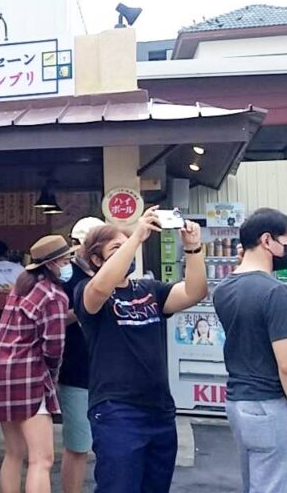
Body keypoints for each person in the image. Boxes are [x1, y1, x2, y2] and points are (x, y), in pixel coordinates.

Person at [74, 207, 206, 493]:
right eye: (116, 248)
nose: (128, 253)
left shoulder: (150, 289)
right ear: (96, 259)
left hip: (159, 408)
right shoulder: (86, 290)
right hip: (116, 410)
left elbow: (194, 292)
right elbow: (99, 291)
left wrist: (193, 248)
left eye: (127, 247)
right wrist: (135, 237)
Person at [213, 208, 287, 493]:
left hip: (238, 403)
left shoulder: (223, 288)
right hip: (271, 404)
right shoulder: (275, 292)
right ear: (267, 240)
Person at [0, 235, 72, 493]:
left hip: (0, 372)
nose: (68, 265)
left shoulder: (22, 287)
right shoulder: (54, 295)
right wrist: (52, 376)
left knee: (13, 453)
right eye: (66, 260)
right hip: (29, 375)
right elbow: (53, 347)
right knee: (41, 459)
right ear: (53, 263)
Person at [58, 216, 104, 493]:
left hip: (108, 369)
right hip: (75, 367)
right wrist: (86, 306)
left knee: (109, 443)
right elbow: (53, 319)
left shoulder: (109, 271)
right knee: (77, 446)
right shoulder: (64, 275)